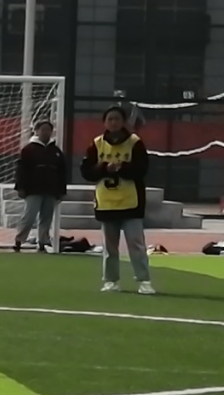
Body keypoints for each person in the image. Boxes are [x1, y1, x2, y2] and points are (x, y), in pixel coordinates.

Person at [80, 103, 155, 295]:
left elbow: (142, 169)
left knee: (136, 244)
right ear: (104, 122)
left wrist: (122, 167)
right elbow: (87, 172)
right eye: (110, 119)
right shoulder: (96, 143)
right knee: (110, 247)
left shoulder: (135, 142)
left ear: (123, 122)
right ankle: (111, 281)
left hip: (131, 202)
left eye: (117, 119)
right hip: (106, 203)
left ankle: (144, 280)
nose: (113, 122)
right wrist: (105, 168)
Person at [13, 118, 68, 252]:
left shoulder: (56, 151)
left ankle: (43, 241)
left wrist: (62, 190)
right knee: (29, 216)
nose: (46, 132)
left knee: (46, 217)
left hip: (51, 189)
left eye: (48, 130)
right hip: (33, 189)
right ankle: (19, 239)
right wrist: (20, 187)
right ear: (36, 131)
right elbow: (21, 170)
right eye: (43, 129)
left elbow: (62, 171)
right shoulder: (28, 149)